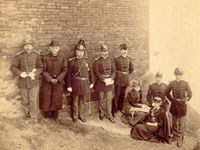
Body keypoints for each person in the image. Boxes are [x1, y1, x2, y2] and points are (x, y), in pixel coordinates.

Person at [10, 40, 43, 122]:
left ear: (32, 46)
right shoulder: (19, 56)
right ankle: (27, 116)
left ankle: (33, 117)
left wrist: (34, 74)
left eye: (29, 45)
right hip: (23, 81)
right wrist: (20, 73)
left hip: (33, 81)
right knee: (25, 101)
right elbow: (13, 67)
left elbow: (40, 67)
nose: (28, 47)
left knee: (33, 100)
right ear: (24, 47)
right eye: (26, 46)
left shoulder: (36, 56)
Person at [40, 40, 68, 122]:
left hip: (58, 82)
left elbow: (65, 70)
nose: (54, 50)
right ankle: (47, 115)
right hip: (48, 82)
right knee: (47, 97)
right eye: (52, 48)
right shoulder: (45, 58)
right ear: (50, 48)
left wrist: (58, 79)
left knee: (56, 98)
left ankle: (55, 116)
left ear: (59, 48)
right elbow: (43, 70)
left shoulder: (62, 57)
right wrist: (50, 79)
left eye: (56, 48)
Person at [66, 42, 94, 123]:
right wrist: (69, 85)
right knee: (75, 101)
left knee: (82, 101)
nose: (80, 53)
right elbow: (68, 75)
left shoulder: (87, 61)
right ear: (76, 52)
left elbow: (91, 73)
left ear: (84, 52)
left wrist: (92, 82)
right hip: (75, 84)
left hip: (85, 84)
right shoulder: (72, 61)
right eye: (78, 51)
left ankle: (81, 116)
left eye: (82, 51)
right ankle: (75, 117)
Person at [165, 67, 192, 147]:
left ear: (181, 75)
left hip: (182, 105)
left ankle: (180, 138)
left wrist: (186, 99)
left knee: (181, 122)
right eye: (176, 75)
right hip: (174, 104)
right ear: (175, 75)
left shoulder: (185, 83)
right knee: (174, 121)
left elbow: (190, 94)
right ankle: (174, 136)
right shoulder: (172, 83)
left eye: (179, 75)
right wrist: (172, 100)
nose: (178, 76)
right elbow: (166, 92)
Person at [93, 44, 116, 123]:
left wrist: (111, 78)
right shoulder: (97, 61)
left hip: (109, 82)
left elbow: (114, 71)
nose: (104, 53)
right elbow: (96, 71)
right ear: (100, 52)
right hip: (101, 82)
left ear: (108, 52)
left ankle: (109, 115)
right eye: (103, 51)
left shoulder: (111, 60)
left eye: (105, 51)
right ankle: (101, 113)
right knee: (101, 99)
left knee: (109, 100)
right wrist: (103, 79)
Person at [114, 43, 134, 114]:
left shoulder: (129, 59)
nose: (124, 51)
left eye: (125, 50)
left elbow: (132, 69)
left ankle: (120, 107)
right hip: (118, 79)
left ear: (127, 51)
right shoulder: (117, 59)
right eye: (122, 50)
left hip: (125, 79)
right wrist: (119, 74)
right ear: (120, 51)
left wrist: (126, 74)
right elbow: (114, 69)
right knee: (117, 94)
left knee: (122, 94)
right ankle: (114, 109)